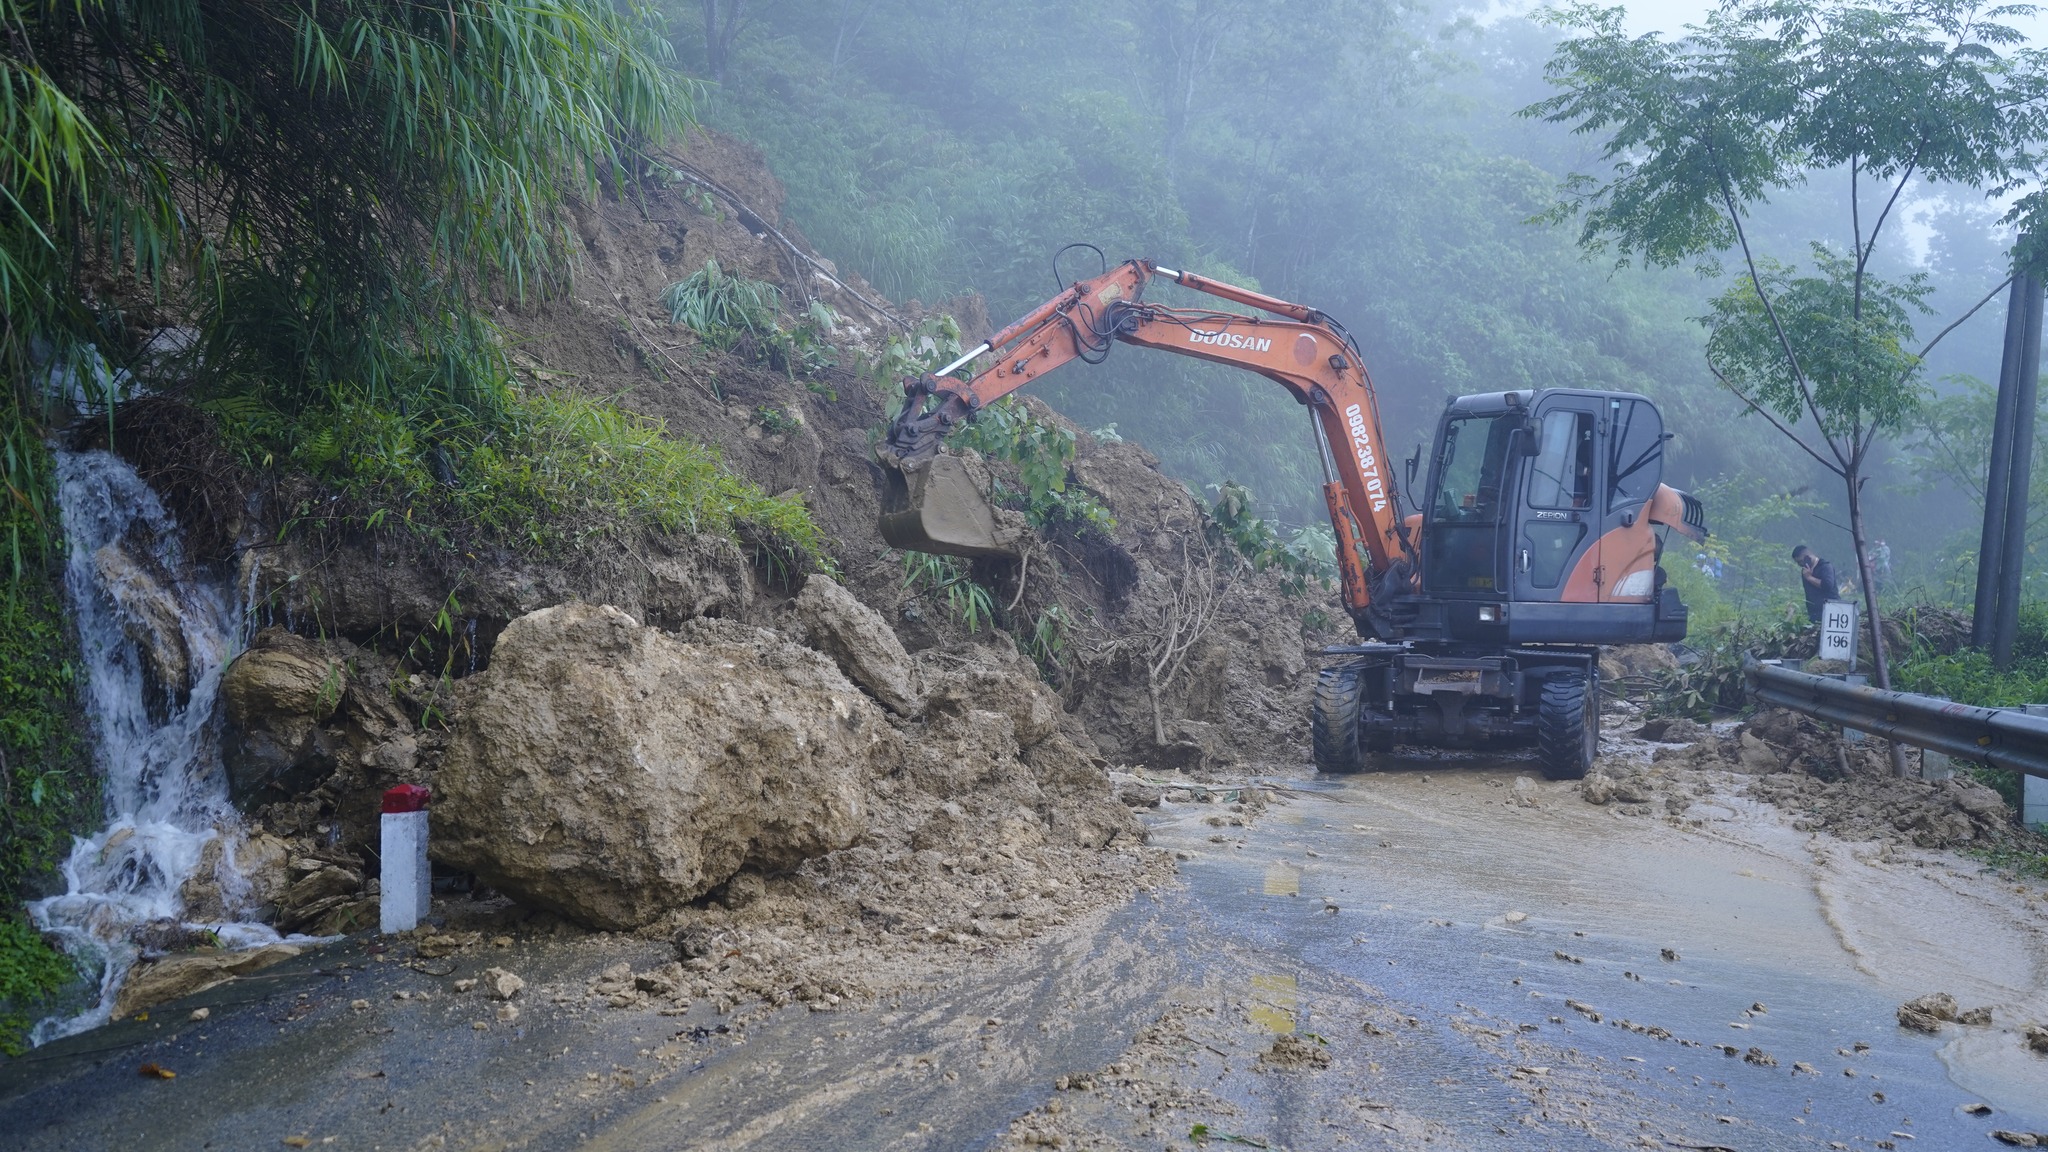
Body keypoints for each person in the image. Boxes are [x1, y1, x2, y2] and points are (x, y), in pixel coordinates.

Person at [1791, 544, 1841, 624]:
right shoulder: (1805, 571)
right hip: (1814, 614)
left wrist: (1809, 578)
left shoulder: (1825, 566)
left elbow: (1827, 585)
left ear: (1807, 556)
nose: (1800, 565)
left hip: (1831, 611)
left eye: (1800, 561)